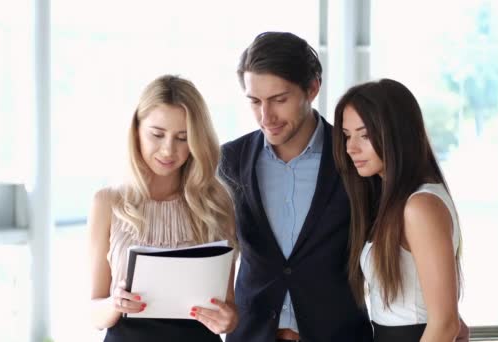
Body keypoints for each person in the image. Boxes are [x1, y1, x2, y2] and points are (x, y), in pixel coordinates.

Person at [219, 32, 373, 342]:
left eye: (279, 100)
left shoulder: (353, 156)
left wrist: (442, 311)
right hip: (252, 335)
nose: (266, 117)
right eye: (254, 101)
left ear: (313, 88)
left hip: (339, 335)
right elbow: (213, 246)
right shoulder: (230, 160)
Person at [88, 75, 238, 341]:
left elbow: (227, 308)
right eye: (157, 135)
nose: (168, 150)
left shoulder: (215, 202)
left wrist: (228, 321)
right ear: (136, 129)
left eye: (183, 138)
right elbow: (93, 313)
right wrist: (115, 303)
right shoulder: (107, 202)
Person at [332, 78, 464, 341]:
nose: (351, 148)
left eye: (365, 135)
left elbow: (446, 324)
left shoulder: (420, 206)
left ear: (396, 133)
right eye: (347, 136)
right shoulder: (395, 201)